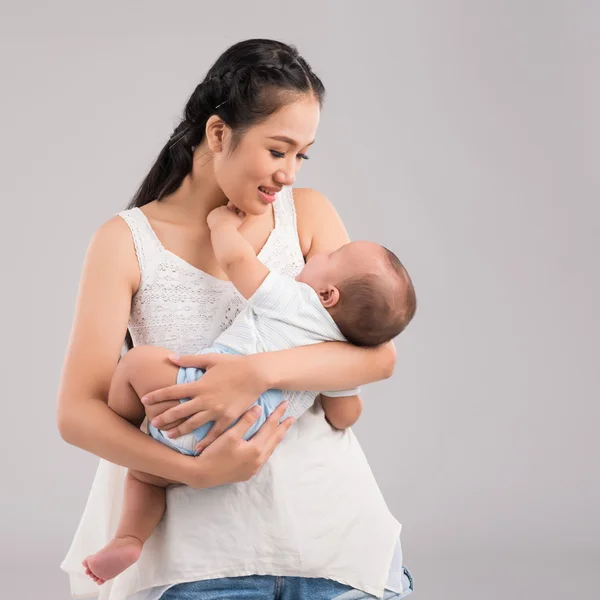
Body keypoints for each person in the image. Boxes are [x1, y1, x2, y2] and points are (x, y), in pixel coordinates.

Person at [58, 39, 415, 600]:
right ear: (219, 133)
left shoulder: (309, 216)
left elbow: (377, 356)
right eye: (278, 150)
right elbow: (77, 415)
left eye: (302, 155)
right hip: (195, 560)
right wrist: (198, 473)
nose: (290, 174)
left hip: (333, 541)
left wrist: (255, 374)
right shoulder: (124, 242)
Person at [81, 198, 417, 585]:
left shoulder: (297, 300)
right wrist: (340, 393)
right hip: (250, 442)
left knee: (138, 369)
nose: (320, 254)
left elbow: (239, 263)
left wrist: (221, 225)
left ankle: (130, 532)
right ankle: (129, 536)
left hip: (196, 404)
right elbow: (343, 416)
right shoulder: (342, 351)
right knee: (146, 477)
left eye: (331, 256)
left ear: (327, 295)